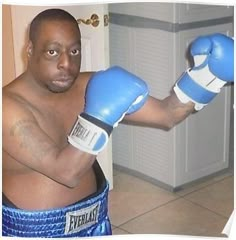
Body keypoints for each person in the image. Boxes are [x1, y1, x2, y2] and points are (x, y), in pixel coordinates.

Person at [2, 8, 234, 238]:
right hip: (32, 233)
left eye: (74, 51)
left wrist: (206, 77)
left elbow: (167, 114)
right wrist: (97, 118)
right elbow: (66, 172)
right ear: (30, 50)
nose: (66, 63)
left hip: (97, 224)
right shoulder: (7, 107)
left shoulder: (89, 86)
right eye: (53, 52)